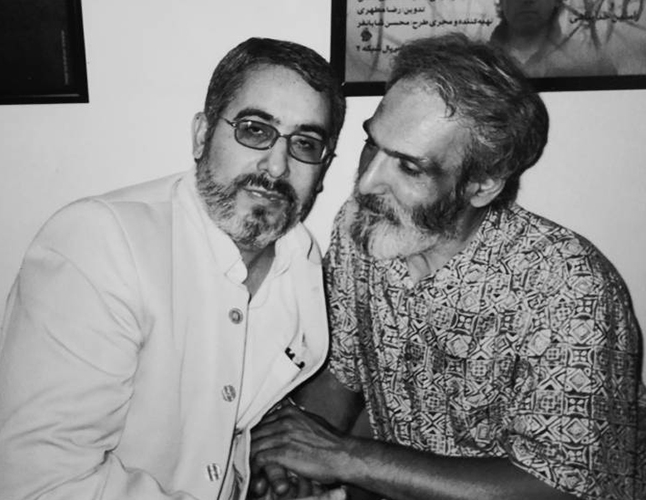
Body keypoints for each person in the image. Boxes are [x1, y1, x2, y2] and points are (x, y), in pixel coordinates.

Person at [0, 37, 347, 500]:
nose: (277, 166)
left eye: (305, 143)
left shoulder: (299, 259)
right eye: (255, 130)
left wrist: (253, 465)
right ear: (201, 136)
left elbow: (221, 406)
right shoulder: (100, 244)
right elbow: (42, 485)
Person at [249, 33, 645, 500]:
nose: (368, 182)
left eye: (409, 167)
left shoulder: (569, 288)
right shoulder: (364, 228)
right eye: (372, 145)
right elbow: (341, 373)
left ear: (483, 184)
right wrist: (291, 460)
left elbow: (559, 486)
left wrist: (344, 457)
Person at [490, 0, 615, 77]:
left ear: (557, 1)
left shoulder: (593, 64)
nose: (527, 1)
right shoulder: (482, 61)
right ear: (500, 2)